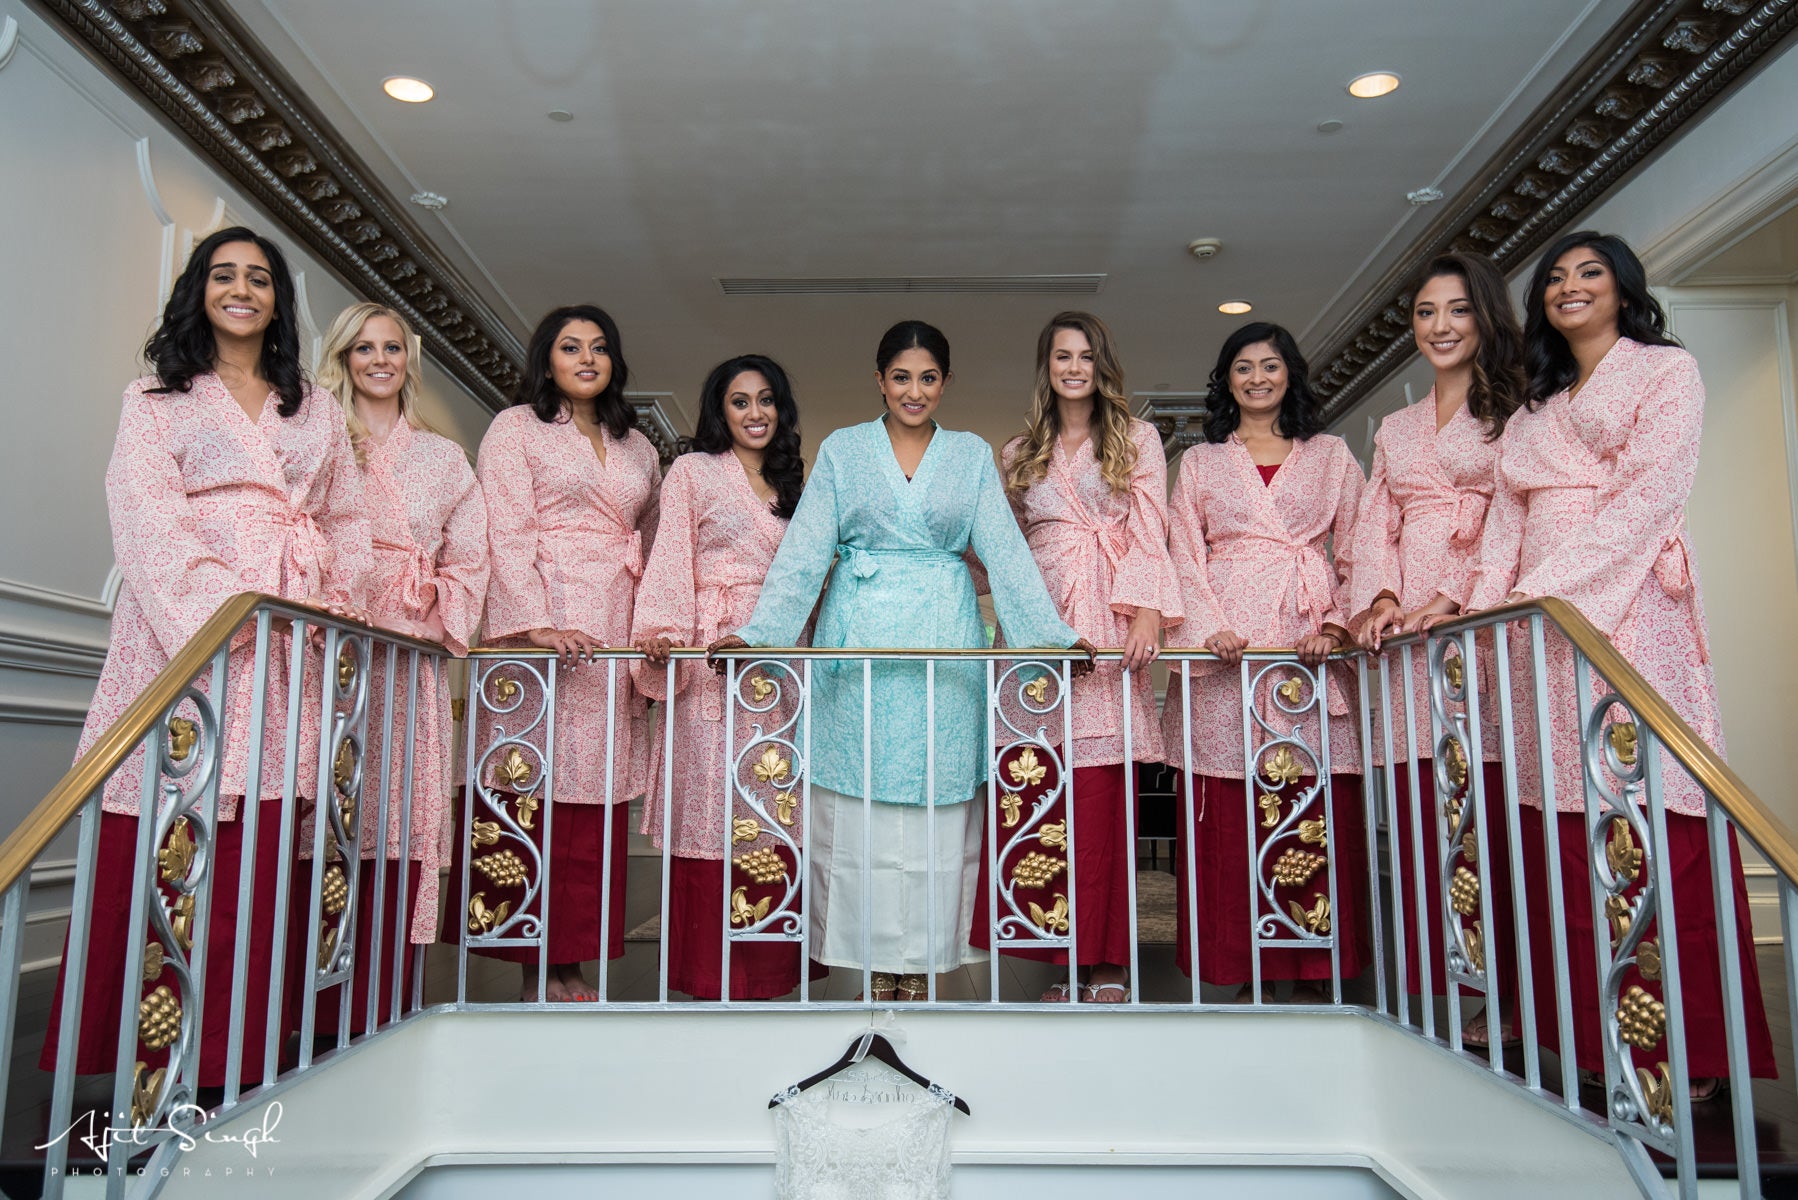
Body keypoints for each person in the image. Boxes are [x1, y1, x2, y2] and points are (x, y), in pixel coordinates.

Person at [42, 227, 372, 1087]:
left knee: (263, 842)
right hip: (185, 634)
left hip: (293, 640)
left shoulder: (315, 409)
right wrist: (224, 607)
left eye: (259, 279)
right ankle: (147, 1058)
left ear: (277, 301)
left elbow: (344, 521)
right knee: (175, 817)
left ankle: (240, 1053)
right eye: (224, 276)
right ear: (199, 290)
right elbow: (144, 512)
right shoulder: (155, 398)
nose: (242, 290)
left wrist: (329, 601)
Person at [1459, 230, 1774, 1098]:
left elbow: (1649, 496)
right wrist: (1491, 608)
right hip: (1536, 631)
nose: (1568, 287)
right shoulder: (1536, 406)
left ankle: (1684, 1049)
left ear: (1623, 289)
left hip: (1626, 606)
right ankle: (1590, 1041)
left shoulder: (1667, 373)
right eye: (1555, 278)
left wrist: (1553, 592)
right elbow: (1503, 526)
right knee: (1562, 820)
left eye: (1588, 273)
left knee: (1644, 809)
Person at [710, 320, 1091, 1002]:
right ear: (879, 380)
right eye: (901, 377)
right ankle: (870, 966)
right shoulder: (844, 451)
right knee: (857, 815)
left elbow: (1004, 553)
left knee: (934, 816)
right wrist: (762, 634)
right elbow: (805, 550)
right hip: (857, 645)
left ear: (944, 383)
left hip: (943, 646)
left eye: (929, 378)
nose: (915, 391)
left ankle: (918, 965)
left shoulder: (972, 455)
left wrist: (1049, 639)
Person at [449, 304, 660, 1002]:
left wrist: (657, 624)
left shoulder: (638, 446)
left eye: (600, 347)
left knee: (596, 800)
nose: (587, 359)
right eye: (571, 348)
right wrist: (534, 622)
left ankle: (578, 953)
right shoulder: (515, 429)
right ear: (547, 360)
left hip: (615, 624)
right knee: (533, 789)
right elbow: (502, 528)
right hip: (547, 626)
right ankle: (538, 959)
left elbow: (657, 541)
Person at [970, 311, 1181, 1002]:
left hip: (1109, 614)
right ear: (1047, 366)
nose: (1073, 367)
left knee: (1100, 803)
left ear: (1102, 365)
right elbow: (996, 546)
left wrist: (1148, 609)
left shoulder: (1138, 438)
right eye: (1061, 355)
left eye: (1085, 356)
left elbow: (1152, 528)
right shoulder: (1018, 450)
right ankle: (1062, 957)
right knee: (1040, 798)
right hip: (1037, 624)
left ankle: (1109, 963)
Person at [1345, 253, 1524, 1044]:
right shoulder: (1396, 427)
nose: (1440, 327)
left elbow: (1523, 515)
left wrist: (1458, 597)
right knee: (1428, 807)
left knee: (1494, 804)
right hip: (1408, 632)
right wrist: (1381, 597)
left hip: (1481, 617)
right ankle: (1442, 980)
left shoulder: (1523, 407)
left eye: (1456, 310)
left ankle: (1515, 996)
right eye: (1425, 313)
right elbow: (1371, 525)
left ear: (1484, 316)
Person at [1160, 321, 1368, 1001]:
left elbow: (1362, 546)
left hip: (1304, 644)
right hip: (1228, 657)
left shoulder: (1332, 455)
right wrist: (1210, 626)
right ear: (1228, 380)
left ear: (1291, 374)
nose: (1257, 378)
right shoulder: (1200, 463)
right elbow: (1182, 552)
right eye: (1243, 367)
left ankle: (1310, 968)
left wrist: (1335, 627)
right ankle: (1240, 967)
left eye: (1270, 366)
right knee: (1230, 812)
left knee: (1307, 803)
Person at [309, 302, 487, 1032]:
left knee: (397, 813)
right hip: (333, 648)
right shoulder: (316, 436)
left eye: (392, 349)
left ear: (408, 360)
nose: (380, 361)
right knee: (325, 807)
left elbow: (472, 554)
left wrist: (437, 597)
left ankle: (382, 994)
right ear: (343, 357)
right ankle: (307, 995)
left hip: (409, 657)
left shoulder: (444, 457)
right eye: (364, 349)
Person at [631, 354, 817, 999]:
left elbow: (814, 576)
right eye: (740, 401)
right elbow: (670, 554)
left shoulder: (801, 484)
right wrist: (661, 632)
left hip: (782, 662)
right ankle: (710, 972)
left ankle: (768, 973)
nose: (755, 413)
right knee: (712, 808)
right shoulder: (691, 472)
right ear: (720, 410)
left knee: (775, 807)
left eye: (767, 400)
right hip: (711, 657)